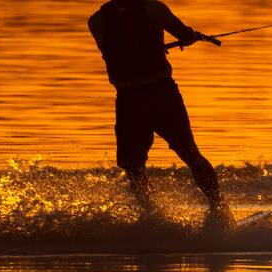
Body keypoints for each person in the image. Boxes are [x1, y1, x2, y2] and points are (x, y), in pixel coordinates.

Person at [88, 0, 231, 231]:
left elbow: (118, 51)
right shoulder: (153, 8)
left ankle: (154, 217)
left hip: (129, 100)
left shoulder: (96, 21)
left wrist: (152, 47)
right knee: (191, 154)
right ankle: (220, 210)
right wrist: (191, 36)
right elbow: (183, 33)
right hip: (162, 95)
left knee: (134, 166)